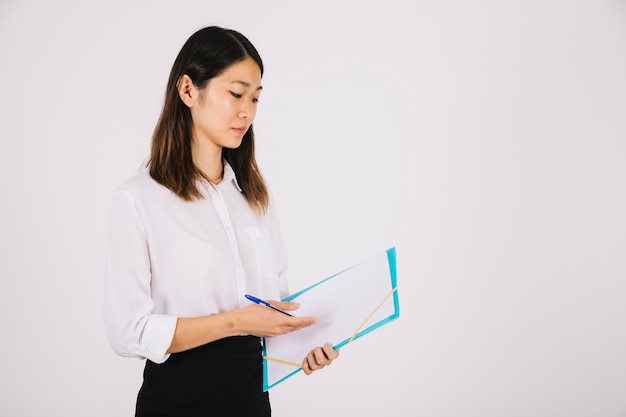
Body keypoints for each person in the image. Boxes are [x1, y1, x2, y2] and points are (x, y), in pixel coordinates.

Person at [103, 26, 339, 417]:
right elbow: (127, 332)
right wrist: (235, 322)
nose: (246, 111)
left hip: (251, 401)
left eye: (255, 98)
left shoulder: (254, 198)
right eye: (235, 93)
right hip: (177, 400)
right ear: (188, 90)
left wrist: (304, 348)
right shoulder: (137, 199)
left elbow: (274, 309)